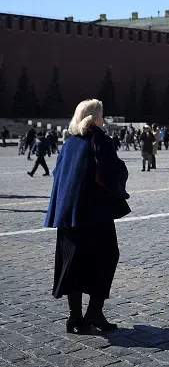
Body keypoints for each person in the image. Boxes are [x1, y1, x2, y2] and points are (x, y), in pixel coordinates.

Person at [45, 99, 130, 334]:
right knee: (107, 257)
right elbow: (113, 171)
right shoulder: (100, 140)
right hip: (95, 214)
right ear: (94, 117)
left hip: (69, 215)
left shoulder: (70, 142)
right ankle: (94, 312)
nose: (104, 119)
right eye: (102, 114)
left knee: (73, 262)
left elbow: (57, 174)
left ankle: (75, 317)